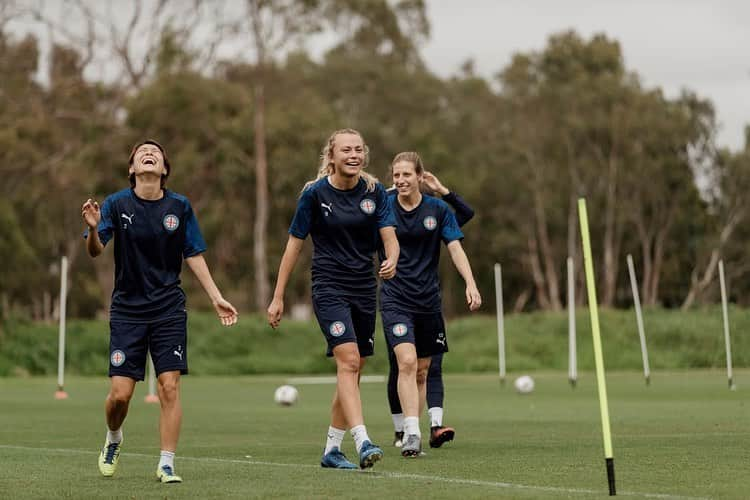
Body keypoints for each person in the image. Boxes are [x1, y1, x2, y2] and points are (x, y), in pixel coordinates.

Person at [82, 139, 238, 483]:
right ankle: (113, 438)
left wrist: (215, 296)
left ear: (164, 169)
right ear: (132, 169)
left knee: (169, 386)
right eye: (141, 153)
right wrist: (93, 229)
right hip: (127, 311)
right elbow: (95, 251)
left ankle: (166, 463)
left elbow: (193, 254)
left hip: (168, 308)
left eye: (155, 153)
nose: (148, 154)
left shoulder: (179, 207)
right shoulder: (115, 204)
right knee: (120, 397)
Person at [267, 128, 399, 470]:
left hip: (364, 288)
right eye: (346, 150)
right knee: (349, 361)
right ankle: (363, 440)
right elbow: (293, 247)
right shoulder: (313, 195)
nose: (353, 155)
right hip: (329, 287)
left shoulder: (374, 193)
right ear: (332, 156)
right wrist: (278, 296)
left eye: (358, 149)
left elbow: (390, 236)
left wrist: (392, 258)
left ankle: (331, 450)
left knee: (354, 370)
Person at [380, 153, 481, 457]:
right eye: (396, 175)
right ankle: (412, 433)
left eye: (406, 175)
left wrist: (471, 282)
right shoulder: (383, 208)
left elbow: (455, 248)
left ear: (420, 176)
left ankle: (416, 428)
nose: (400, 181)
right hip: (395, 298)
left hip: (428, 302)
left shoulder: (437, 210)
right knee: (406, 363)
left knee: (423, 370)